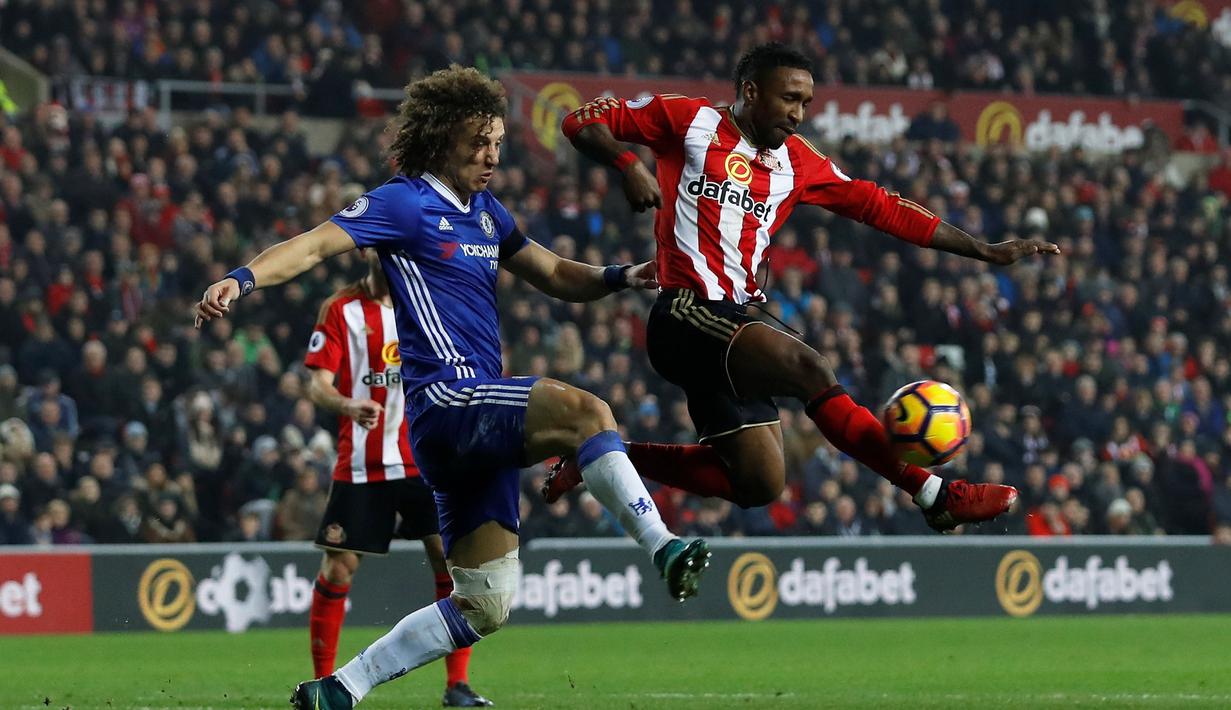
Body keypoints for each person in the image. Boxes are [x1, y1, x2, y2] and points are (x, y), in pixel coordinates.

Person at [194, 65, 708, 710]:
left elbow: (552, 272)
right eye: (478, 143)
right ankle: (662, 545)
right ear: (441, 140)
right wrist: (240, 278)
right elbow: (315, 246)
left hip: (471, 425)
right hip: (448, 400)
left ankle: (340, 688)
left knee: (484, 605)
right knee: (587, 412)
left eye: (496, 143)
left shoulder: (488, 212)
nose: (491, 155)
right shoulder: (404, 201)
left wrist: (620, 275)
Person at [551, 42, 1060, 532]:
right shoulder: (689, 119)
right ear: (751, 92)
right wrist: (627, 164)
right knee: (810, 367)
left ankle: (600, 455)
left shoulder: (799, 162)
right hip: (684, 313)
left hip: (736, 324)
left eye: (806, 103)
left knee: (758, 482)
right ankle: (935, 494)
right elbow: (579, 120)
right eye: (789, 99)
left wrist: (983, 250)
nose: (798, 114)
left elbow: (880, 206)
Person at [302, 249, 492, 707]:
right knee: (339, 567)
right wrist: (347, 405)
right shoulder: (341, 309)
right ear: (368, 250)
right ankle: (324, 683)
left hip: (424, 459)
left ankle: (457, 686)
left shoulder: (430, 304)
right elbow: (316, 384)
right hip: (364, 463)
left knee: (451, 564)